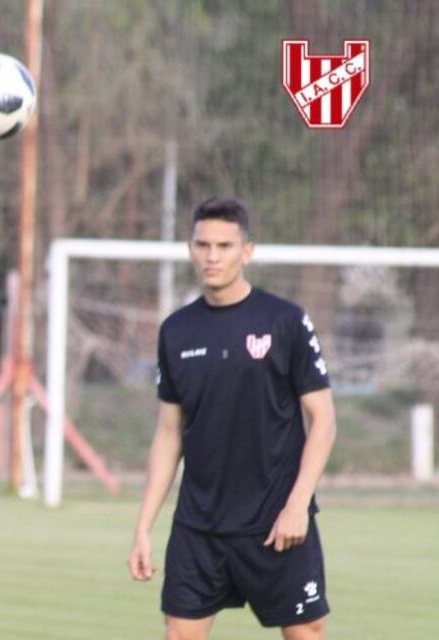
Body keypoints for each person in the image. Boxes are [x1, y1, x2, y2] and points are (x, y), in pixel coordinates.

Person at [127, 197, 337, 640]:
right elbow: (169, 435)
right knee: (179, 634)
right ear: (190, 249)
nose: (212, 256)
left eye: (224, 245)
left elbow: (323, 420)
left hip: (276, 521)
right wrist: (143, 526)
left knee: (306, 633)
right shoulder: (177, 330)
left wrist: (297, 505)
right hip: (199, 526)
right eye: (203, 245)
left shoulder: (286, 321)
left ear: (247, 251)